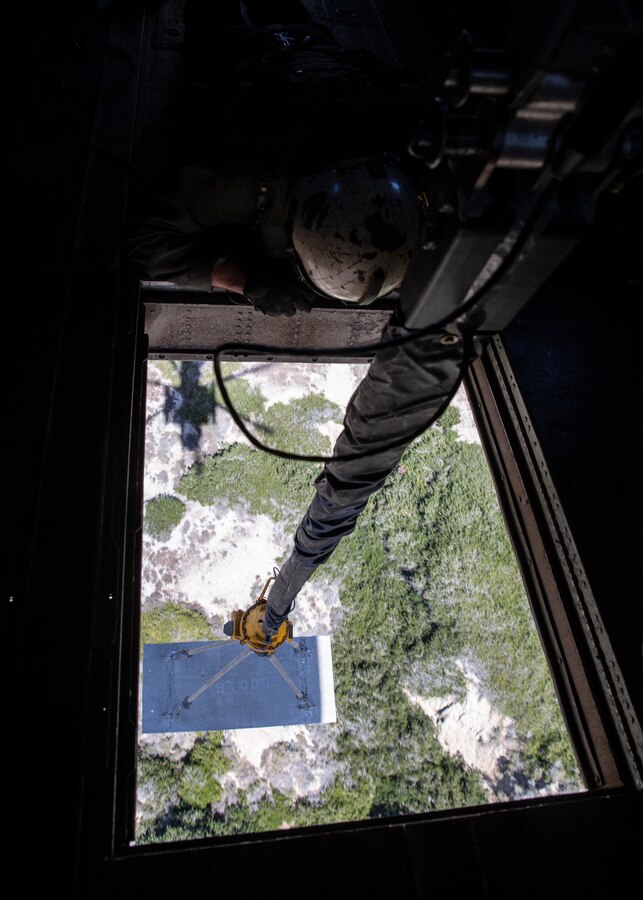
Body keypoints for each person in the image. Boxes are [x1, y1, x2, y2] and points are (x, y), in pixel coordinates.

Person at [123, 0, 426, 315]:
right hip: (245, 52)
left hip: (314, 45)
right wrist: (245, 281)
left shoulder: (403, 148)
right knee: (211, 18)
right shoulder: (253, 182)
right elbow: (145, 241)